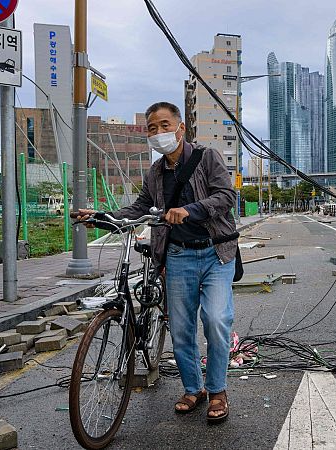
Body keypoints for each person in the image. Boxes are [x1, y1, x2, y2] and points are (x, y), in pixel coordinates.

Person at [74, 101, 237, 423]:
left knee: (217, 321)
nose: (159, 133)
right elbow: (139, 208)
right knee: (181, 329)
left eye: (165, 125)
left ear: (180, 128)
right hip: (177, 256)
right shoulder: (155, 172)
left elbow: (226, 197)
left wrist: (192, 210)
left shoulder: (207, 157)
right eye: (152, 128)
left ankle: (217, 389)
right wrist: (102, 216)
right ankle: (194, 389)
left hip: (216, 253)